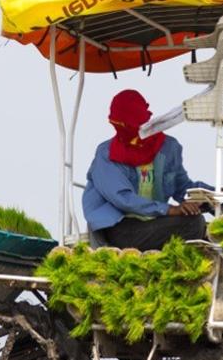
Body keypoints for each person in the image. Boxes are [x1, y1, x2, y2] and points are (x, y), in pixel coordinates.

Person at [82, 89, 212, 250]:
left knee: (198, 224)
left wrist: (216, 195)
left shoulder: (167, 148)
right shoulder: (107, 153)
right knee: (197, 225)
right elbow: (123, 199)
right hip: (121, 228)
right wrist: (169, 209)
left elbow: (182, 188)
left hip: (153, 223)